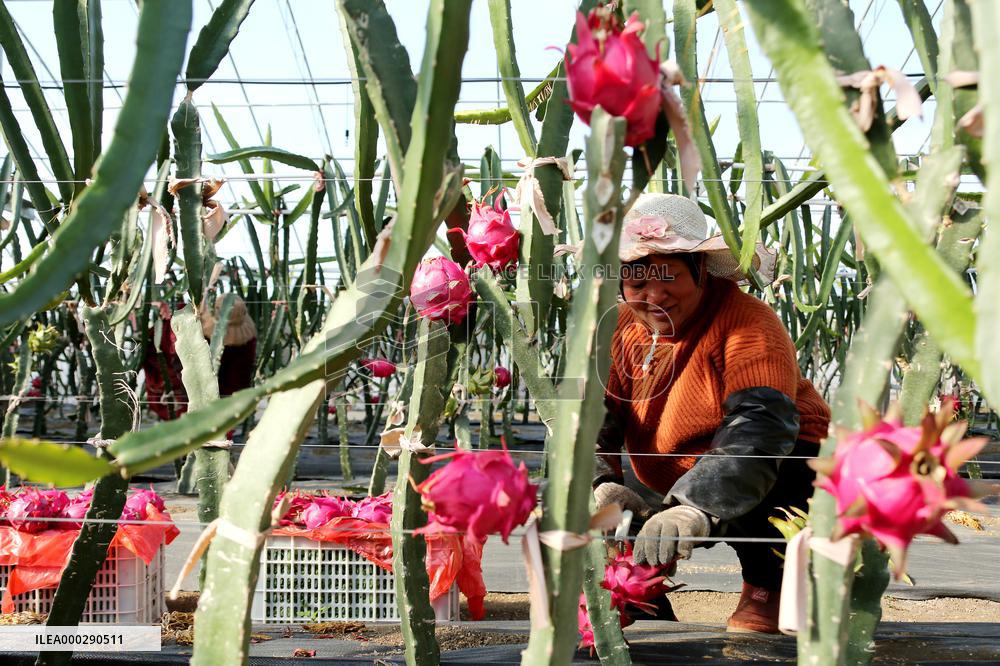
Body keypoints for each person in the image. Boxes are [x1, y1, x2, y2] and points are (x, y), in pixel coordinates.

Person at [595, 193, 831, 634]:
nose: (655, 295)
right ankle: (642, 598)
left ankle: (766, 586)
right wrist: (602, 483)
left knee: (780, 483)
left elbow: (759, 427)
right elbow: (591, 419)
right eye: (637, 281)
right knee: (602, 520)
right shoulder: (619, 326)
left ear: (701, 271)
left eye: (669, 277)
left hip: (773, 459)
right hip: (666, 467)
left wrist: (695, 506)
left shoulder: (748, 321)